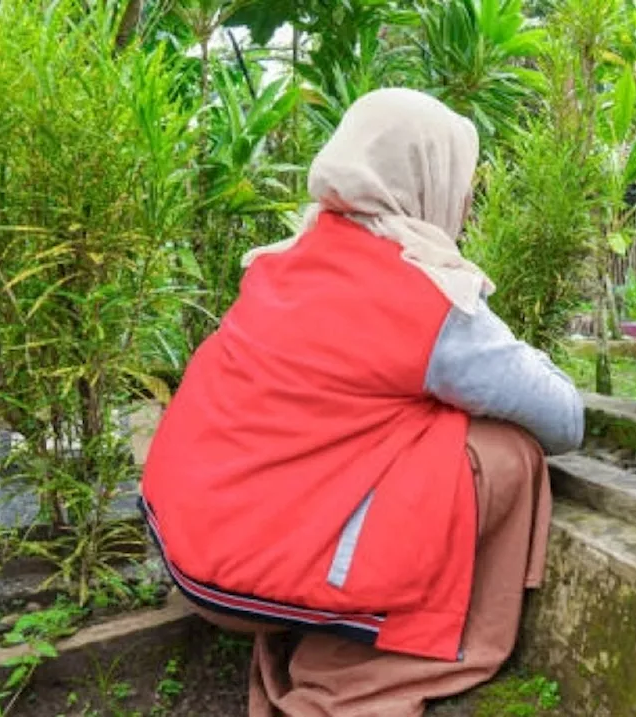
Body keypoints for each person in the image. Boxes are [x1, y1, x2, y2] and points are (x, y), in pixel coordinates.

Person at [139, 88, 584, 716]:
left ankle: (317, 615)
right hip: (241, 581)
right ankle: (380, 649)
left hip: (187, 551)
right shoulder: (423, 293)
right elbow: (565, 419)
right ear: (431, 175)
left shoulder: (285, 259)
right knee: (504, 452)